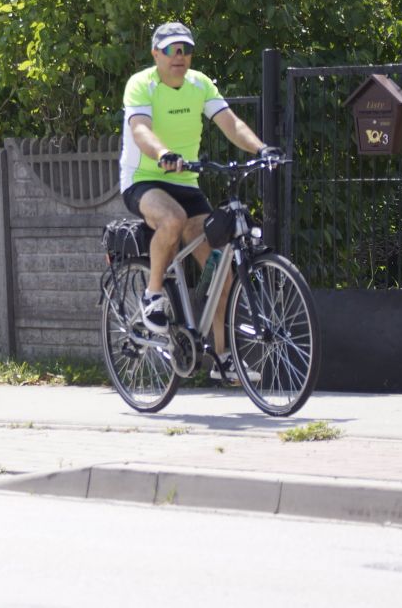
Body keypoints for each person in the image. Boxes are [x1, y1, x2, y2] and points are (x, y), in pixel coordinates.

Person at [119, 22, 281, 380]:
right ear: (156, 54)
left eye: (186, 50)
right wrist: (163, 153)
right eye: (172, 50)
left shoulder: (200, 84)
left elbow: (231, 123)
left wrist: (262, 149)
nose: (180, 57)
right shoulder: (141, 84)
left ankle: (222, 359)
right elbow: (141, 128)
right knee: (172, 219)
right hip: (144, 180)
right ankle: (153, 295)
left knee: (221, 267)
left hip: (186, 181)